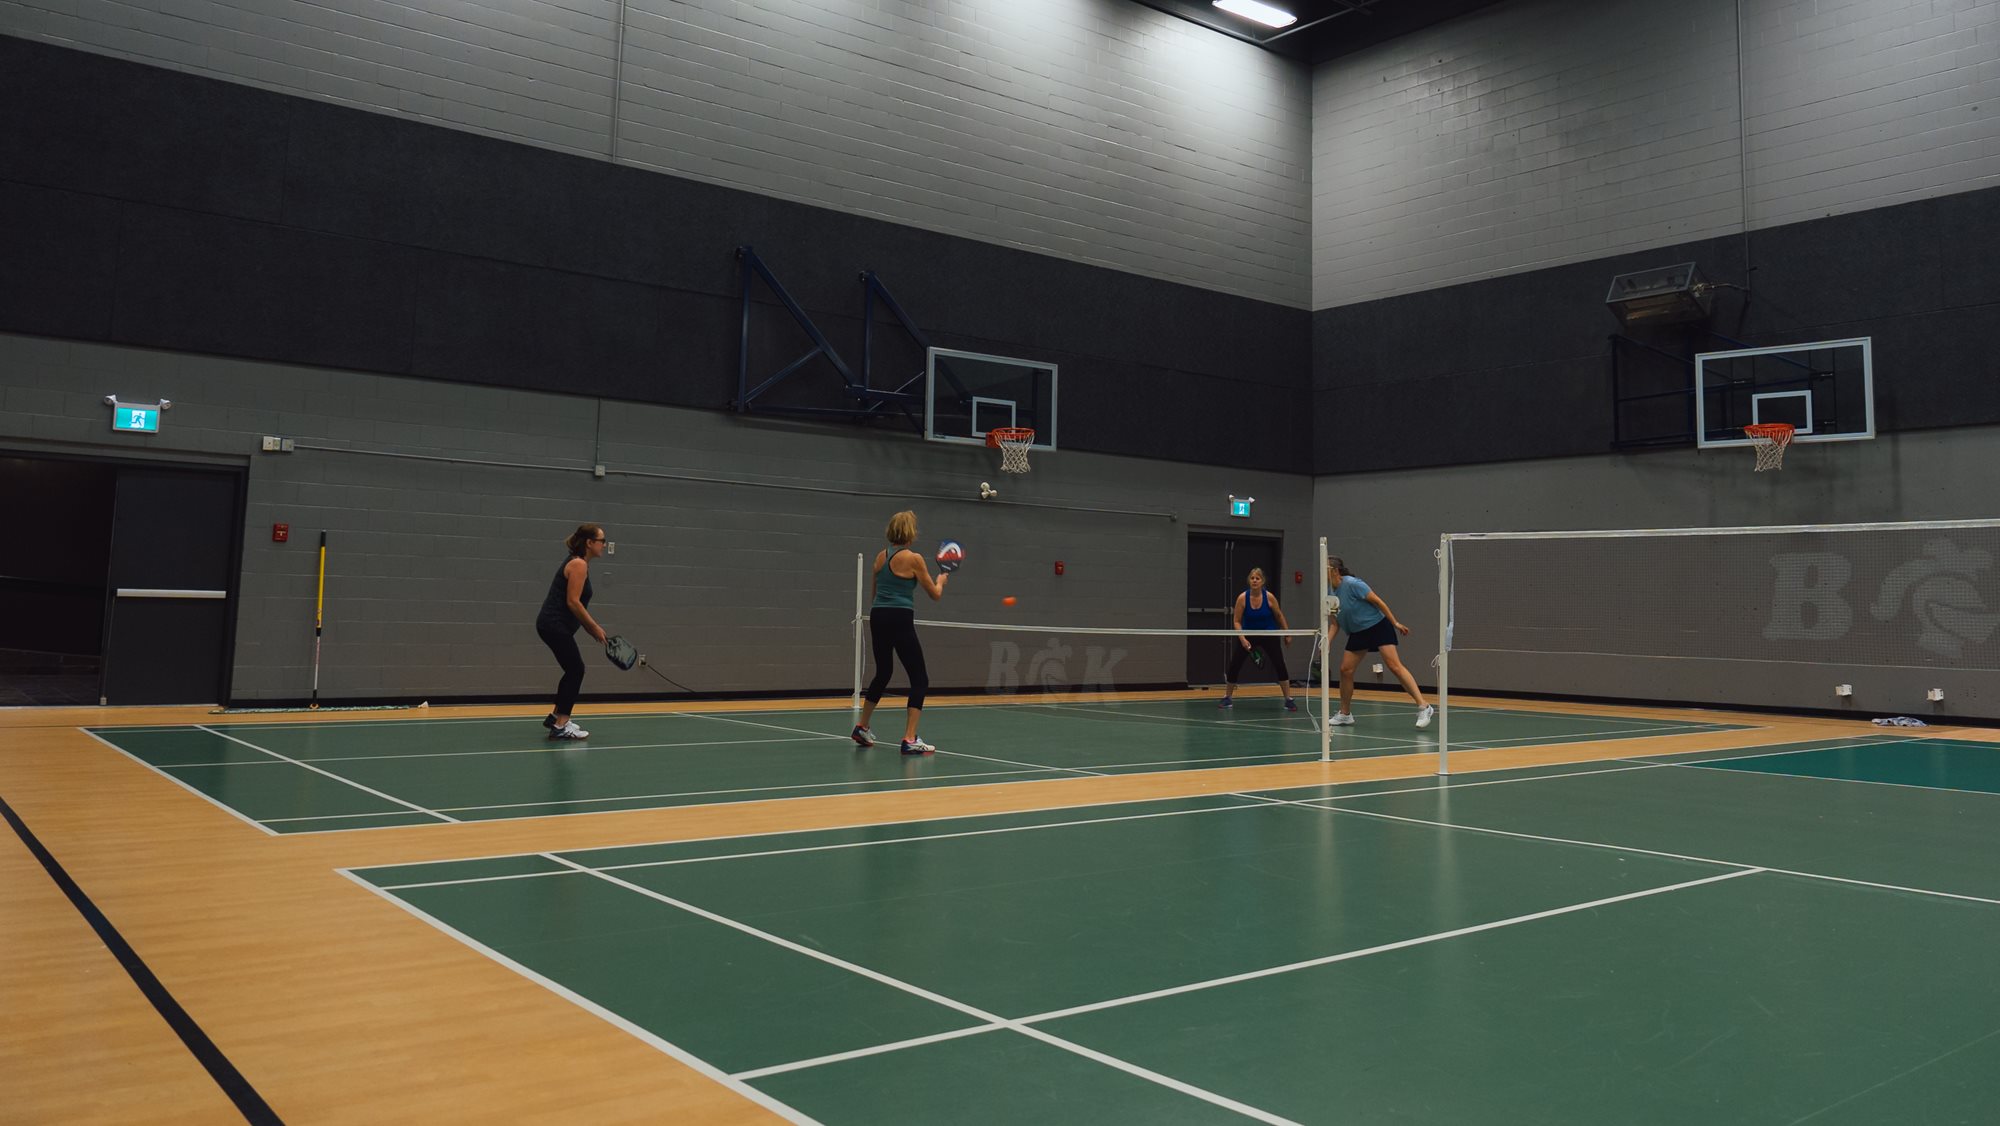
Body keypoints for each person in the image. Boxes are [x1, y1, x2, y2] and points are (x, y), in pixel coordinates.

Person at [853, 511, 947, 755]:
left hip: (878, 616)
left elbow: (874, 594)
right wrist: (941, 581)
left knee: (883, 672)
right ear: (910, 532)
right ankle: (910, 738)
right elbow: (935, 594)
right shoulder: (914, 559)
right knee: (920, 678)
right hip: (899, 617)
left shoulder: (880, 557)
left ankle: (862, 727)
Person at [1326, 556, 1434, 728]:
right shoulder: (1328, 592)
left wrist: (1395, 623)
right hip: (1357, 632)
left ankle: (1424, 706)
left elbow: (1378, 601)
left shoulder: (1353, 584)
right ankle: (1345, 714)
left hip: (1378, 626)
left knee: (1394, 666)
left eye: (1325, 568)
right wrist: (1327, 642)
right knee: (1345, 670)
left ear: (1335, 571)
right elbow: (1334, 623)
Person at [536, 523, 609, 740]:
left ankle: (556, 717)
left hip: (553, 625)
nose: (604, 545)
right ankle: (561, 725)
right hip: (553, 624)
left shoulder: (579, 563)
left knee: (572, 669)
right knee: (576, 669)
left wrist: (589, 628)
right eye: (602, 541)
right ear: (589, 543)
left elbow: (575, 605)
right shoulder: (578, 564)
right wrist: (593, 627)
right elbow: (573, 602)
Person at [1218, 567, 1296, 711]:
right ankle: (1227, 698)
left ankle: (1288, 699)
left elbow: (1279, 616)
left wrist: (1287, 633)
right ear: (1249, 581)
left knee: (1279, 664)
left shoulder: (1269, 597)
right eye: (1252, 578)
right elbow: (1237, 621)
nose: (1254, 581)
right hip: (1249, 635)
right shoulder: (1242, 598)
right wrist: (1242, 639)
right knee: (1234, 665)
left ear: (1262, 581)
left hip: (1268, 635)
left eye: (1257, 578)